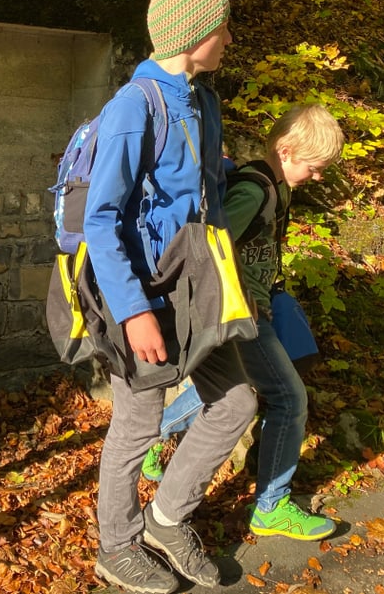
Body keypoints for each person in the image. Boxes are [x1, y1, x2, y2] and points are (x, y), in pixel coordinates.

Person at [83, 0, 258, 594]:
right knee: (137, 425)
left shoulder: (202, 100)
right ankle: (117, 545)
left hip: (196, 286)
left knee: (236, 402)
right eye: (223, 28)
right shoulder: (134, 107)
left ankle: (166, 517)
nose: (230, 39)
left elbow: (199, 182)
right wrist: (133, 311)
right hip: (143, 291)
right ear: (194, 34)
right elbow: (100, 219)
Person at [142, 104, 345, 544]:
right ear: (286, 151)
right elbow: (211, 246)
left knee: (226, 390)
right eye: (313, 168)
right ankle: (271, 506)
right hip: (241, 313)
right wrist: (244, 298)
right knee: (288, 399)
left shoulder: (278, 187)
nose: (318, 177)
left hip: (252, 308)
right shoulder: (255, 192)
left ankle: (155, 436)